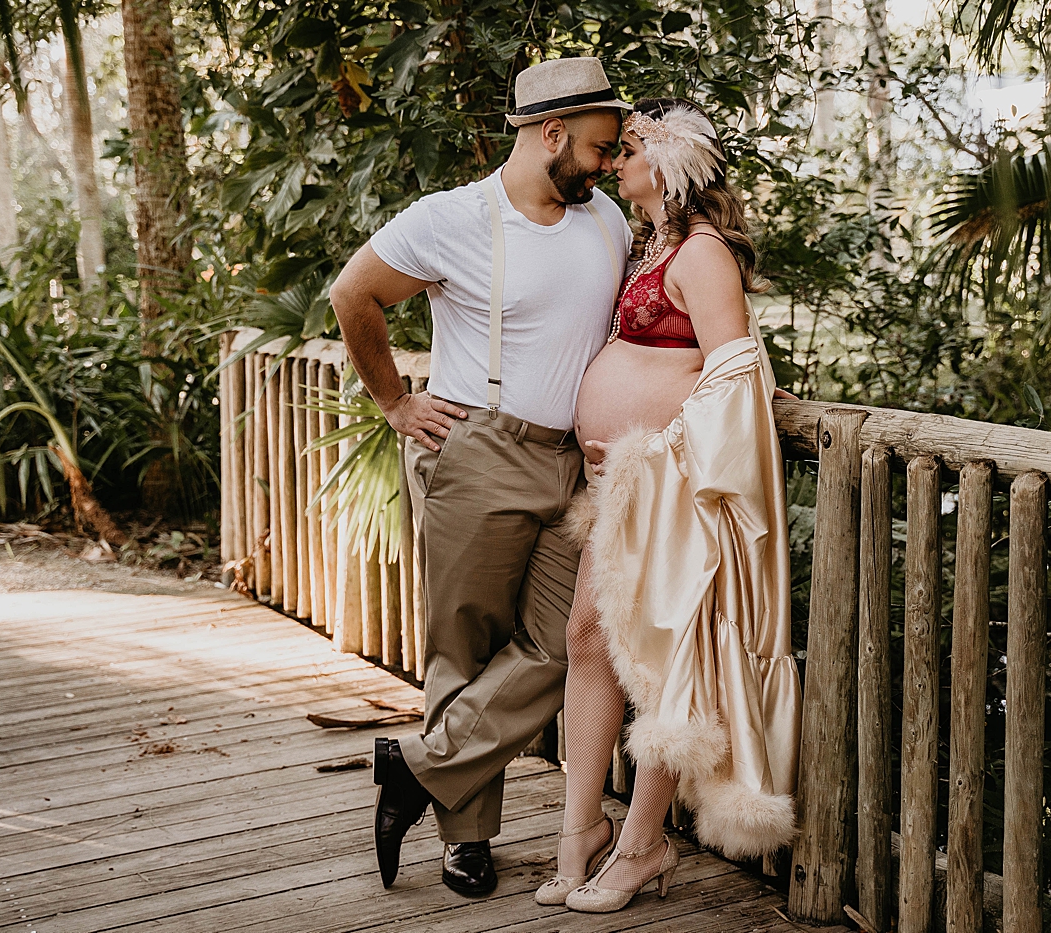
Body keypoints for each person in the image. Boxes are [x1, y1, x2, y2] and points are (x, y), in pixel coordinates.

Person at [329, 57, 633, 897]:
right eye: (600, 148)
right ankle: (467, 841)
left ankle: (417, 766)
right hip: (479, 448)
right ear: (550, 134)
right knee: (462, 647)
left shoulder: (604, 218)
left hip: (574, 461)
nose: (607, 165)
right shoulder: (449, 219)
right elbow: (353, 293)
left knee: (562, 644)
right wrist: (393, 401)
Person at [534, 98, 802, 913]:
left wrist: (661, 453)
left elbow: (732, 373)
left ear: (673, 164)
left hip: (670, 488)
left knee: (662, 659)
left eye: (632, 151)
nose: (617, 162)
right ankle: (578, 829)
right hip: (624, 493)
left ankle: (642, 845)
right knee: (589, 637)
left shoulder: (706, 255)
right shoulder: (661, 244)